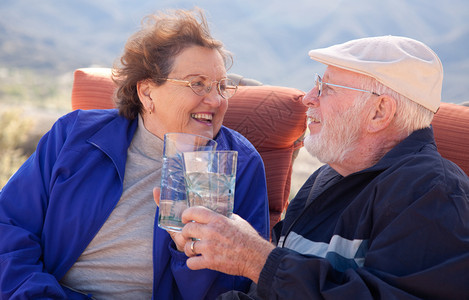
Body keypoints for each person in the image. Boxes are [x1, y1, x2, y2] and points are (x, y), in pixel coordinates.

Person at [0, 8, 269, 299]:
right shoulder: (75, 135)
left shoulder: (239, 163)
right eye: (197, 84)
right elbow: (8, 227)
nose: (216, 99)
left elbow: (232, 290)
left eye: (221, 86)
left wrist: (188, 252)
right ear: (147, 93)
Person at [174, 36, 469, 299]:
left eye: (326, 88)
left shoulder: (434, 194)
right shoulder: (330, 176)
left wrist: (257, 259)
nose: (308, 98)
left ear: (380, 111)